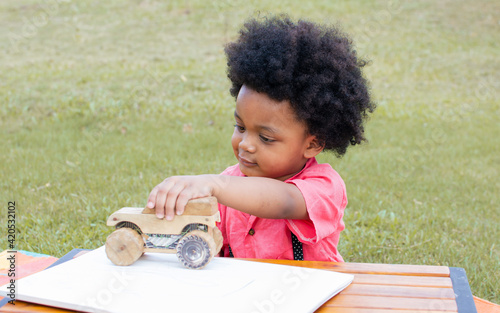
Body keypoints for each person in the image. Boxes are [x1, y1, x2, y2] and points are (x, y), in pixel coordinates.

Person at [146, 14, 375, 262]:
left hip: (310, 295)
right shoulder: (227, 185)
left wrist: (215, 185)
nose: (245, 144)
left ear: (313, 144)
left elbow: (285, 201)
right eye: (240, 127)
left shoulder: (325, 187)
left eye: (265, 138)